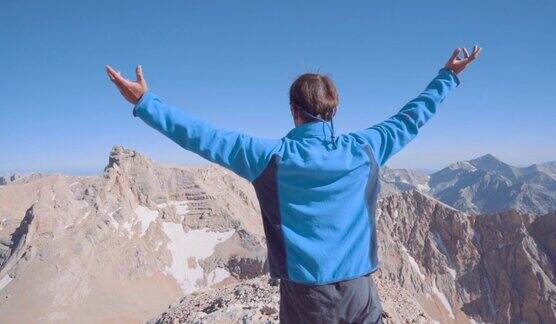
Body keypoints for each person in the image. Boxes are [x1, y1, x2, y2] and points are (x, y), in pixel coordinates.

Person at [106, 45, 481, 323]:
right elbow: (411, 118)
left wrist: (146, 102)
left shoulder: (269, 158)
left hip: (305, 299)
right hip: (361, 293)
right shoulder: (365, 149)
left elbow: (204, 137)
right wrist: (447, 76)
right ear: (333, 110)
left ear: (293, 111)